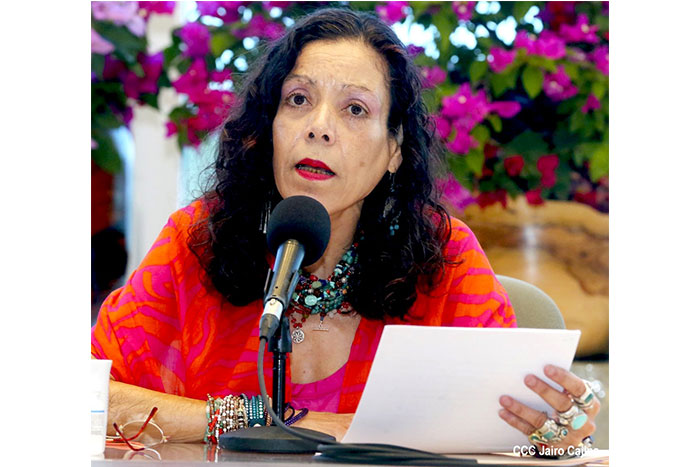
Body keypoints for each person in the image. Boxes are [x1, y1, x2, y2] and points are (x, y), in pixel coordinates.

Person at [91, 7, 599, 454]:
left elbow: (510, 423)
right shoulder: (198, 240)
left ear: (394, 149)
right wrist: (259, 419)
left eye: (355, 109)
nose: (319, 127)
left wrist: (558, 431)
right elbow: (85, 399)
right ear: (269, 127)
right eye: (298, 100)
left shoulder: (443, 258)